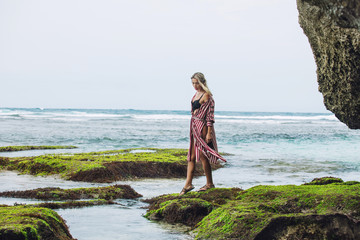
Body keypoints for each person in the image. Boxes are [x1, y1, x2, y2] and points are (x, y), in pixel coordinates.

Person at [180, 72, 227, 195]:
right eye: (193, 83)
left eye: (197, 83)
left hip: (203, 128)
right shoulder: (196, 94)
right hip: (194, 127)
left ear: (202, 82)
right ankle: (188, 184)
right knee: (191, 156)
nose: (195, 85)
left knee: (202, 156)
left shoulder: (207, 96)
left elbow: (210, 116)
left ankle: (209, 183)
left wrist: (209, 133)